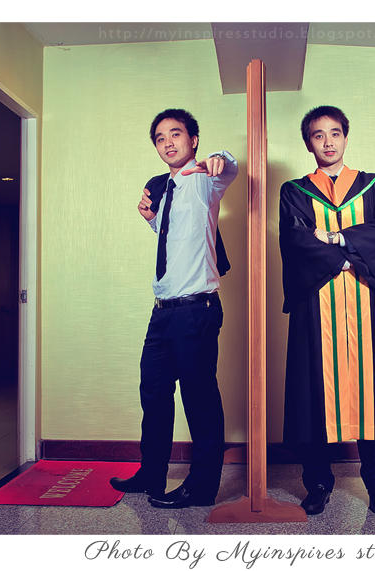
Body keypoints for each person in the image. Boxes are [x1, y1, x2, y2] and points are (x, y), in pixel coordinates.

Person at [278, 105, 375, 515]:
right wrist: (351, 254)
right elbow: (295, 241)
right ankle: (317, 483)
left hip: (366, 306)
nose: (328, 141)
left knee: (372, 395)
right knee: (315, 395)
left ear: (346, 137)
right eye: (318, 135)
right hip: (316, 310)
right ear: (308, 143)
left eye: (335, 133)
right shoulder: (295, 192)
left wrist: (334, 239)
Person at [109, 108, 238, 509]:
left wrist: (220, 159)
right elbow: (178, 238)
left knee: (199, 398)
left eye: (176, 134)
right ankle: (152, 474)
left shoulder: (203, 179)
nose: (167, 142)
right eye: (160, 138)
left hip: (195, 309)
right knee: (153, 394)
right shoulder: (164, 190)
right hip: (163, 310)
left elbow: (229, 167)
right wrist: (152, 219)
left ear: (193, 140)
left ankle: (201, 487)